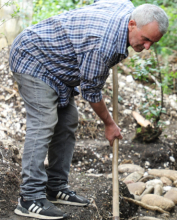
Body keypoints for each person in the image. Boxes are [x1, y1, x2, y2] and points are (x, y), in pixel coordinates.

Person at [9, 0, 168, 219]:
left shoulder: (125, 6)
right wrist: (110, 124)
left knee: (68, 121)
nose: (148, 47)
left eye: (153, 42)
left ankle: (55, 186)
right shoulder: (104, 45)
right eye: (146, 39)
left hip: (59, 66)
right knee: (43, 122)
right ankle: (30, 198)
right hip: (34, 57)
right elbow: (91, 92)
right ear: (132, 24)